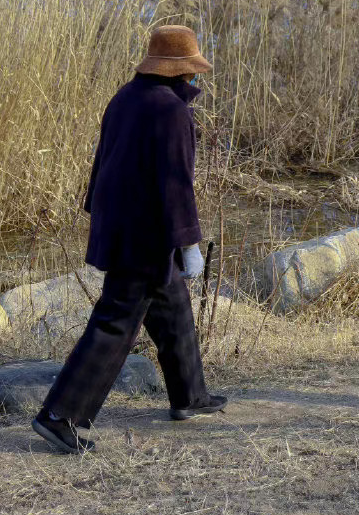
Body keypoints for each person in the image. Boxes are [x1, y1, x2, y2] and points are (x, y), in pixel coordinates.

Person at [32, 24, 227, 455]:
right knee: (116, 321)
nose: (197, 80)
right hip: (146, 233)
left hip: (119, 223)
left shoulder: (126, 97)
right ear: (181, 72)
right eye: (194, 72)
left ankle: (189, 397)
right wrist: (188, 243)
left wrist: (99, 218)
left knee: (172, 305)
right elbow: (177, 184)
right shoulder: (171, 112)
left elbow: (103, 163)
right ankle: (58, 416)